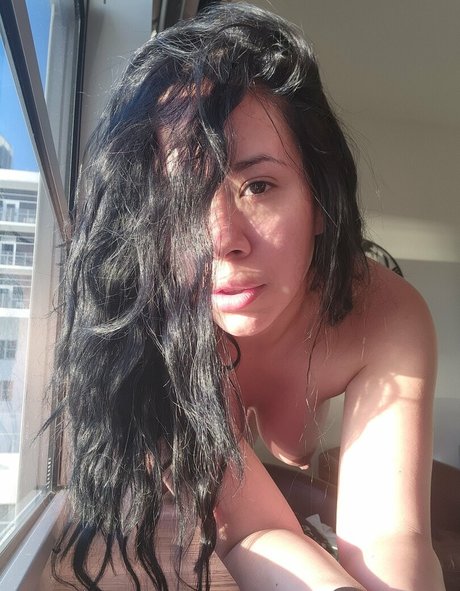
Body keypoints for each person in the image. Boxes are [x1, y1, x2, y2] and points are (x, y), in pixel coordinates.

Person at [50, 3, 445, 590]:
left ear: (320, 200)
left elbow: (393, 534)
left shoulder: (386, 315)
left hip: (325, 348)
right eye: (182, 199)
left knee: (298, 455)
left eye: (258, 186)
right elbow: (250, 528)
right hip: (224, 451)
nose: (222, 241)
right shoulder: (151, 327)